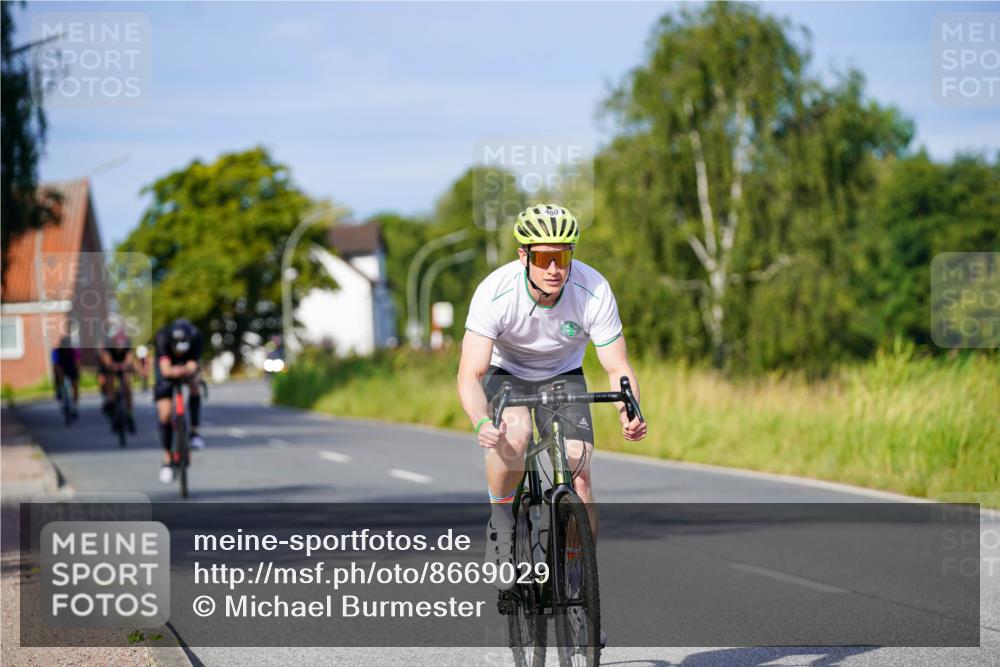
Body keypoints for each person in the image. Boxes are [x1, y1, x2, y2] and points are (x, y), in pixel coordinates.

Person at [457, 204, 648, 598]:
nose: (554, 269)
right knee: (517, 434)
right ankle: (501, 523)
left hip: (563, 375)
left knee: (580, 473)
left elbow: (618, 367)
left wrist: (629, 410)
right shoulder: (496, 292)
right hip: (506, 372)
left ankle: (582, 591)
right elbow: (470, 374)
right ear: (523, 256)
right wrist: (481, 421)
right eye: (544, 258)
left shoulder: (592, 290)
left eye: (562, 257)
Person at [154, 318, 205, 483]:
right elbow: (166, 370)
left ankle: (195, 432)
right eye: (178, 349)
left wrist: (188, 370)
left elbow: (192, 365)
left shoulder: (196, 337)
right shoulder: (162, 337)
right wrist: (178, 369)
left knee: (195, 384)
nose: (180, 352)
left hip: (185, 366)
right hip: (167, 366)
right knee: (165, 414)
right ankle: (167, 459)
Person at [99, 328, 135, 433]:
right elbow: (107, 362)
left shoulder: (127, 342)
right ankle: (110, 399)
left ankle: (129, 414)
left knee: (127, 382)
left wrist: (127, 365)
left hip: (123, 366)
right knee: (109, 379)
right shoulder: (107, 345)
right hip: (111, 367)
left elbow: (130, 357)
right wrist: (112, 366)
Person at [51, 336, 80, 416]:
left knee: (75, 385)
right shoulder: (56, 351)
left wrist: (76, 373)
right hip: (61, 369)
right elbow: (55, 364)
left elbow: (77, 363)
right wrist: (59, 372)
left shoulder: (74, 351)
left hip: (71, 369)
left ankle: (74, 404)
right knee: (58, 375)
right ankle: (59, 391)